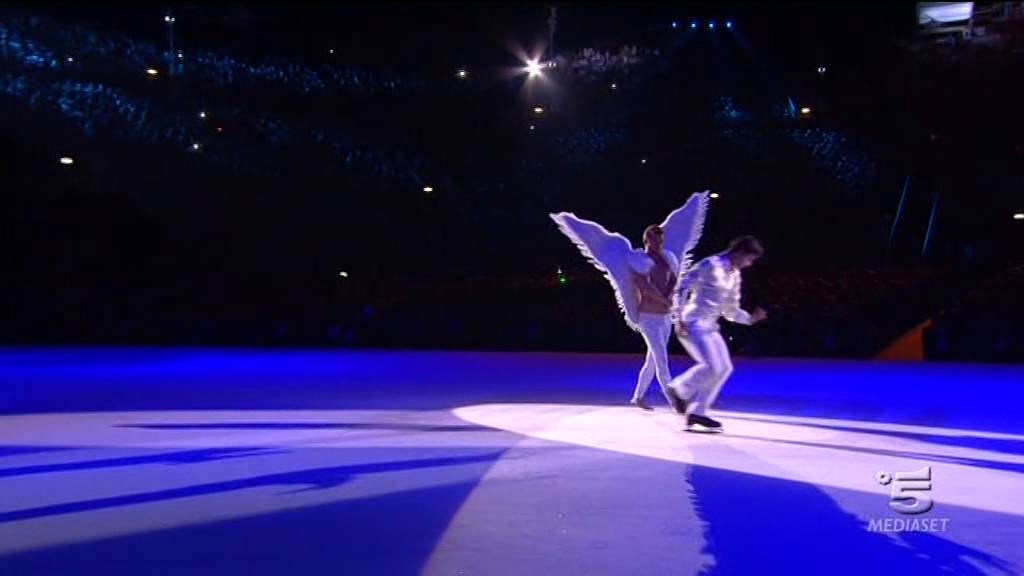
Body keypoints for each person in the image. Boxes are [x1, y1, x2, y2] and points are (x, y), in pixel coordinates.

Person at [550, 191, 709, 410]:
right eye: (653, 240)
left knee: (652, 360)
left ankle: (638, 397)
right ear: (646, 240)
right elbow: (644, 286)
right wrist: (665, 301)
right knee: (662, 360)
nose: (657, 243)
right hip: (648, 317)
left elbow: (674, 279)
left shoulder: (669, 257)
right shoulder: (638, 259)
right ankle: (676, 401)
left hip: (664, 317)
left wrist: (671, 297)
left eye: (660, 239)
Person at [666, 236, 768, 430]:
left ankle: (697, 412)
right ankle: (679, 389)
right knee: (712, 366)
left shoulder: (734, 276)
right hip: (691, 323)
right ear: (740, 252)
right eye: (749, 259)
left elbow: (730, 310)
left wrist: (750, 319)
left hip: (710, 326)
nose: (749, 264)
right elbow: (681, 288)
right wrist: (677, 318)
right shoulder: (709, 264)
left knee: (724, 368)